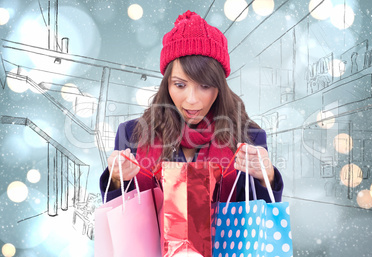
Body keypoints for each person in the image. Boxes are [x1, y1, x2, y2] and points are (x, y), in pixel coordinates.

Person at [99, 10, 283, 206]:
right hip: (152, 238)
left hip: (223, 237)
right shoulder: (131, 134)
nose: (192, 99)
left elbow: (257, 218)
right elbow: (121, 215)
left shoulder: (249, 137)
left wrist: (266, 176)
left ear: (219, 87)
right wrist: (117, 178)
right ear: (167, 84)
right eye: (180, 85)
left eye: (205, 86)